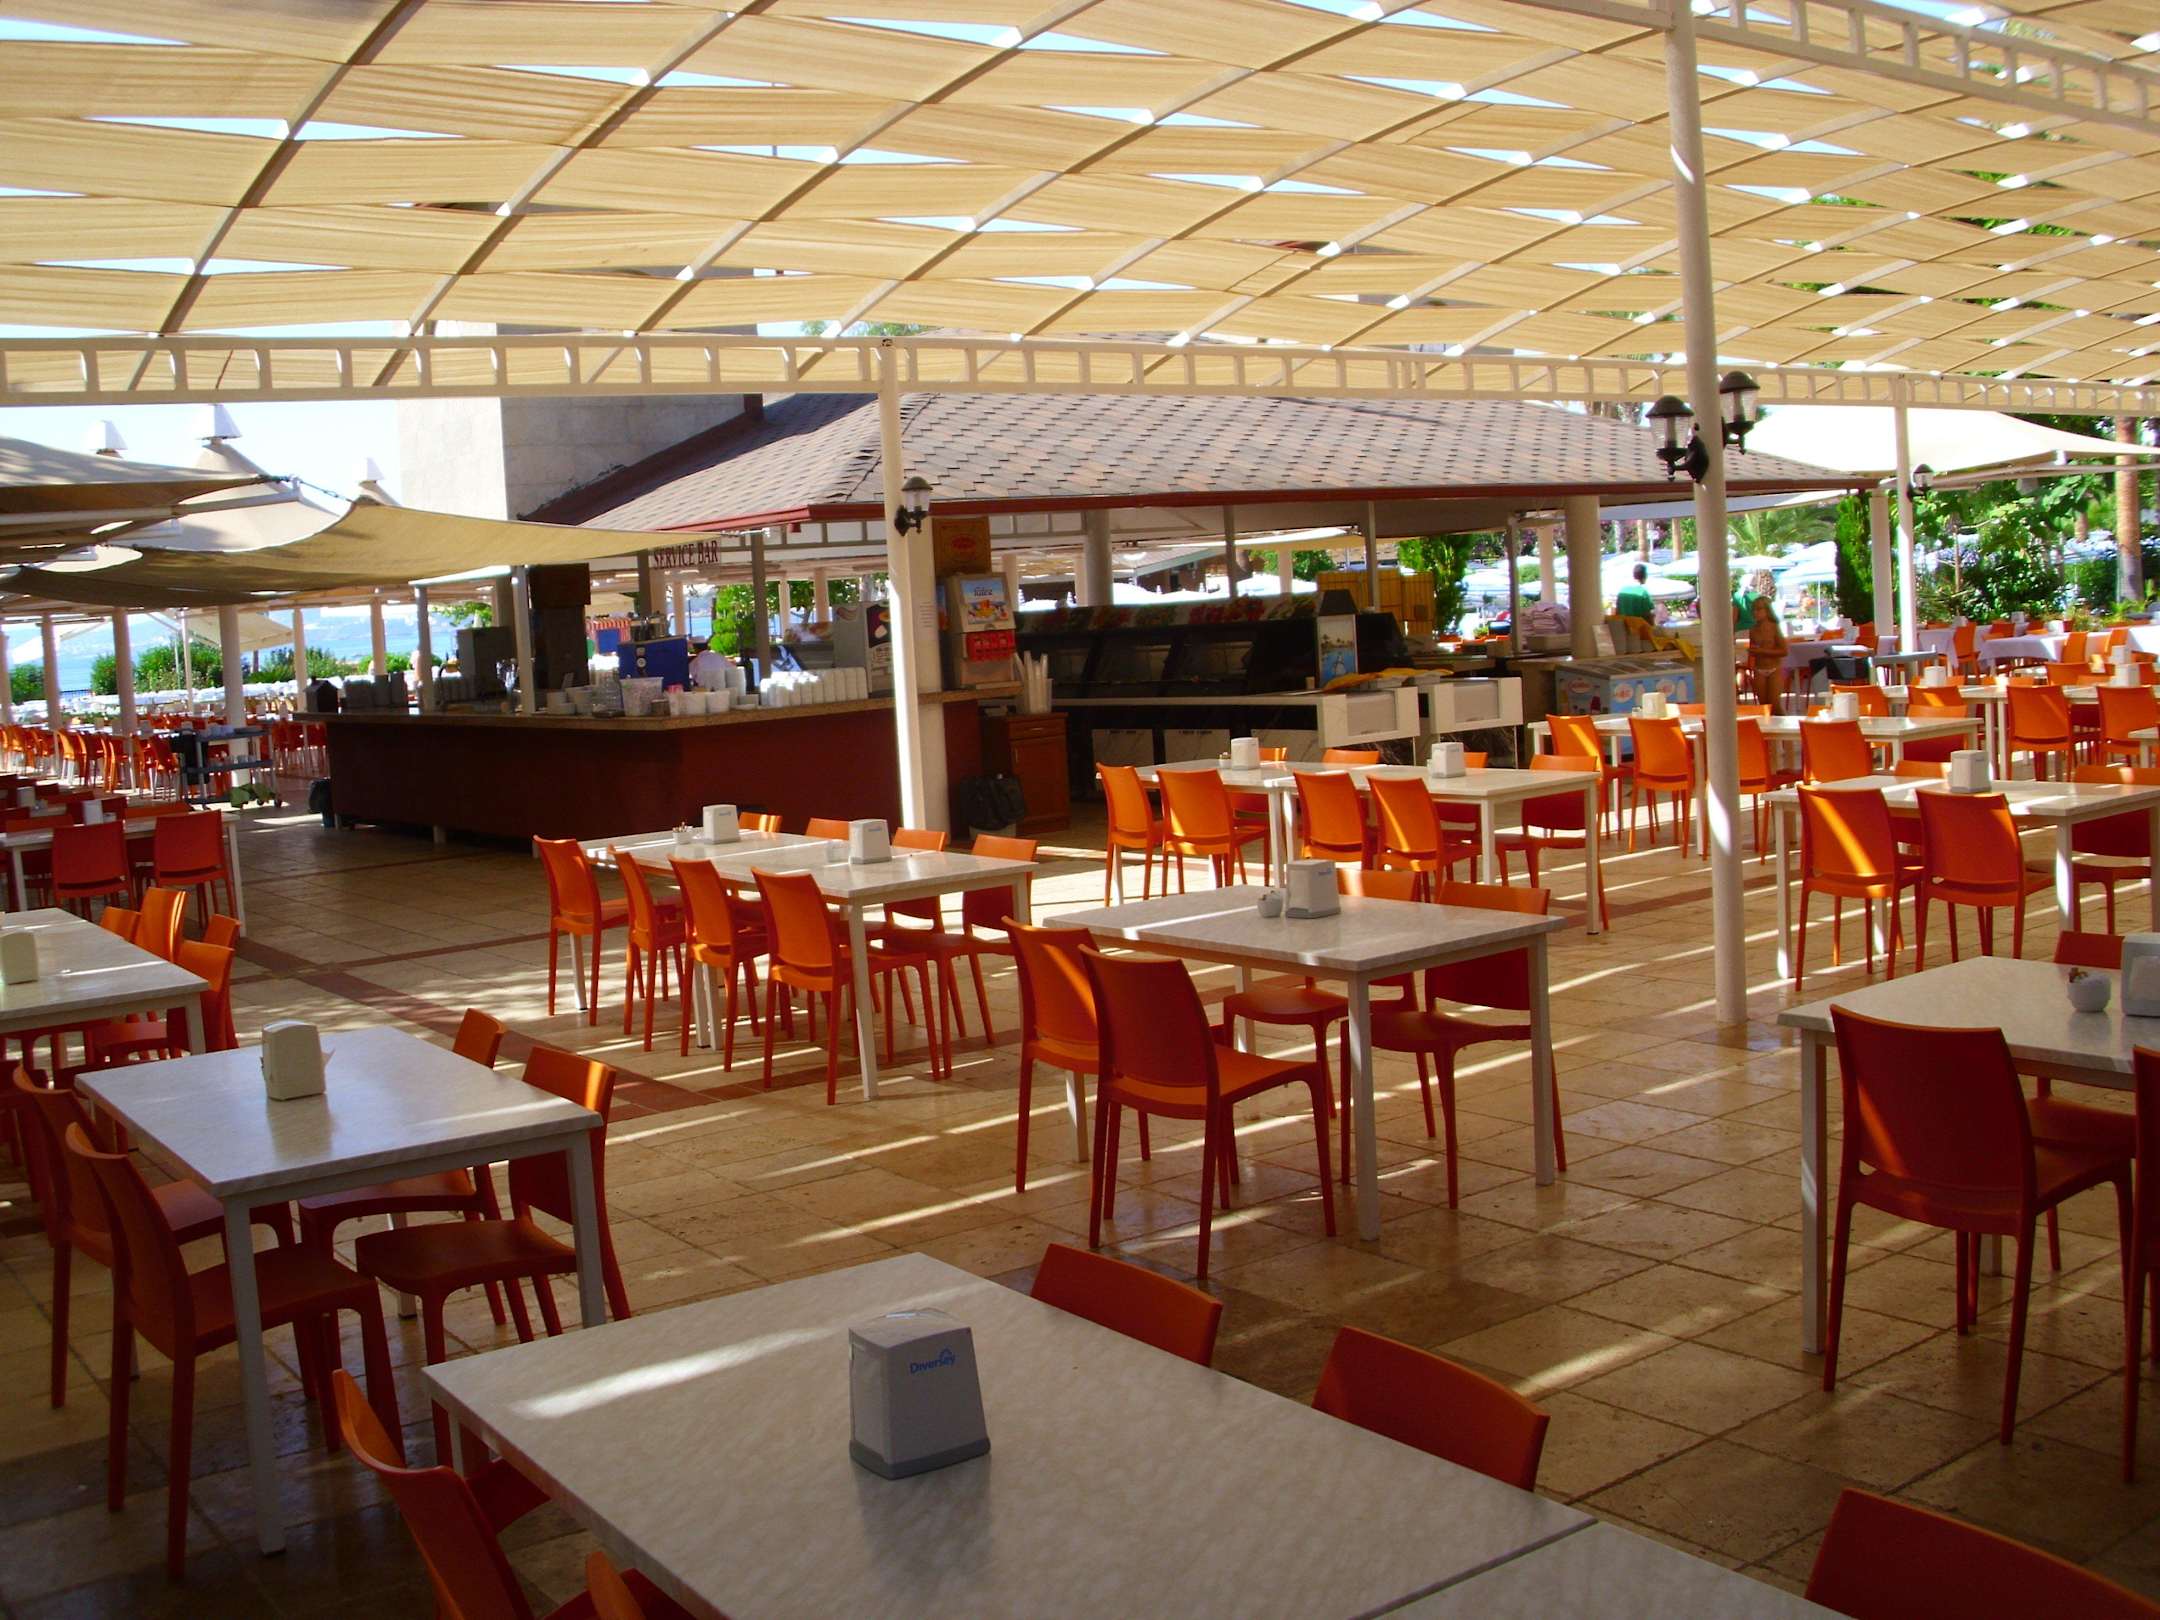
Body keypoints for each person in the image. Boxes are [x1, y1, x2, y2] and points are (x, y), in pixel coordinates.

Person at [1747, 596, 1789, 711]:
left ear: (1767, 610)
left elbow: (1784, 651)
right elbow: (1753, 650)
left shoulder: (1774, 627)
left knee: (1775, 704)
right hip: (1759, 669)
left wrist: (1763, 651)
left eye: (1759, 609)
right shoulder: (1753, 630)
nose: (1755, 612)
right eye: (1754, 610)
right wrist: (1753, 652)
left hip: (1774, 668)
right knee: (1764, 706)